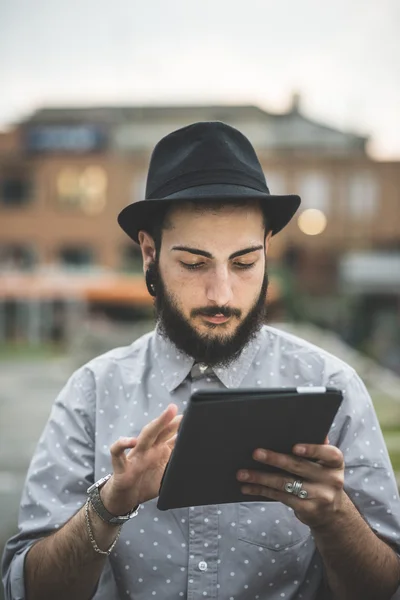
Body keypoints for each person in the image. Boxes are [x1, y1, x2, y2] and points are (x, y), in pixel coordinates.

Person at [2, 121, 400, 600]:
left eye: (244, 262)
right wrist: (108, 508)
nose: (222, 294)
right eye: (194, 263)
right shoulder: (91, 391)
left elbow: (385, 586)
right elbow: (25, 589)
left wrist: (335, 517)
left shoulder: (332, 385)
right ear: (149, 254)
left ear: (268, 251)